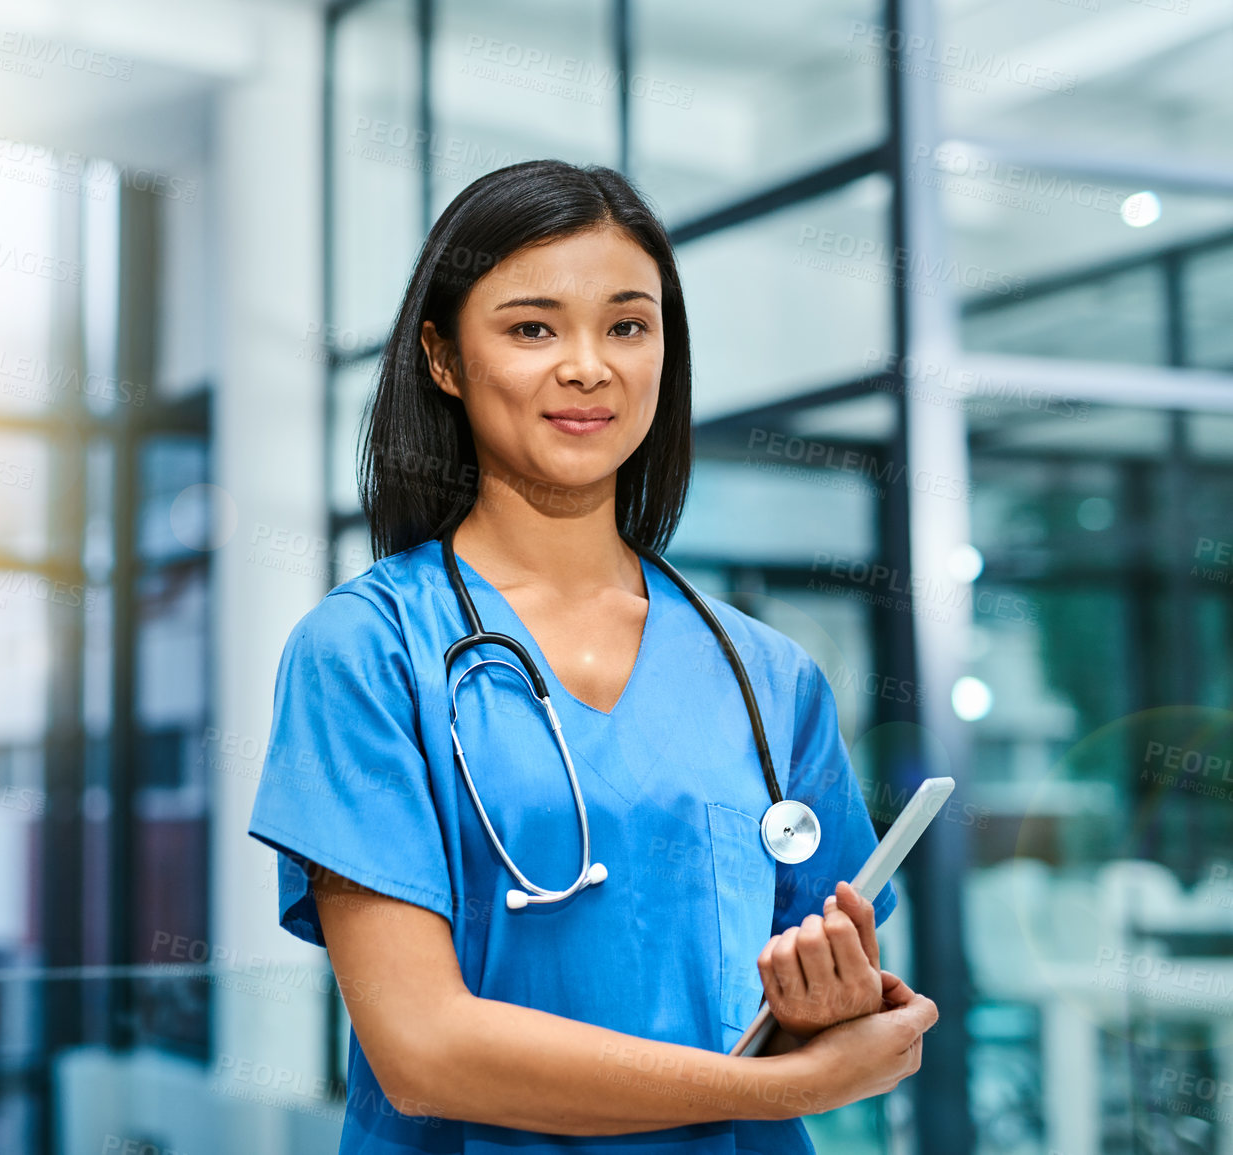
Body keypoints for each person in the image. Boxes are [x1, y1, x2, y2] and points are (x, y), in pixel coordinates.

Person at [246, 159, 936, 1153]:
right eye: (533, 327)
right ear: (442, 358)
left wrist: (835, 1012)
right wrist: (783, 1091)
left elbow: (798, 1004)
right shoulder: (368, 651)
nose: (588, 366)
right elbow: (422, 1050)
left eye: (627, 325)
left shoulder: (769, 677)